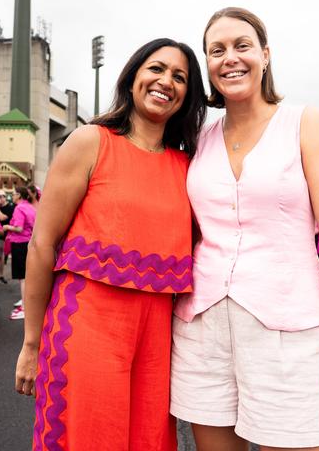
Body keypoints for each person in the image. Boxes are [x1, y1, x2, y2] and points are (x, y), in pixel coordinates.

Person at [169, 8, 319, 451]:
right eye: (216, 50)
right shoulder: (199, 136)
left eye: (242, 46)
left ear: (265, 54)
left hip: (289, 329)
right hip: (201, 328)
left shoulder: (306, 123)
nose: (230, 58)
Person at [14, 37, 206, 450]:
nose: (165, 82)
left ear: (188, 95)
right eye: (156, 69)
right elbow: (42, 244)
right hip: (87, 323)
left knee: (150, 442)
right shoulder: (90, 141)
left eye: (180, 77)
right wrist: (32, 343)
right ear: (133, 75)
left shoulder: (188, 166)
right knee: (88, 437)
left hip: (158, 334)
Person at [5, 186, 36, 320]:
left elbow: (18, 228)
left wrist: (7, 227)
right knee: (28, 276)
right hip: (28, 242)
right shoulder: (31, 207)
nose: (12, 196)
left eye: (13, 194)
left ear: (19, 195)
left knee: (22, 277)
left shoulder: (19, 208)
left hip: (19, 243)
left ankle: (24, 307)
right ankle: (27, 305)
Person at [0, 190, 15, 284]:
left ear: (5, 197)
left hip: (4, 234)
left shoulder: (10, 207)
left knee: (0, 255)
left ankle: (1, 275)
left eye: (1, 197)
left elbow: (2, 218)